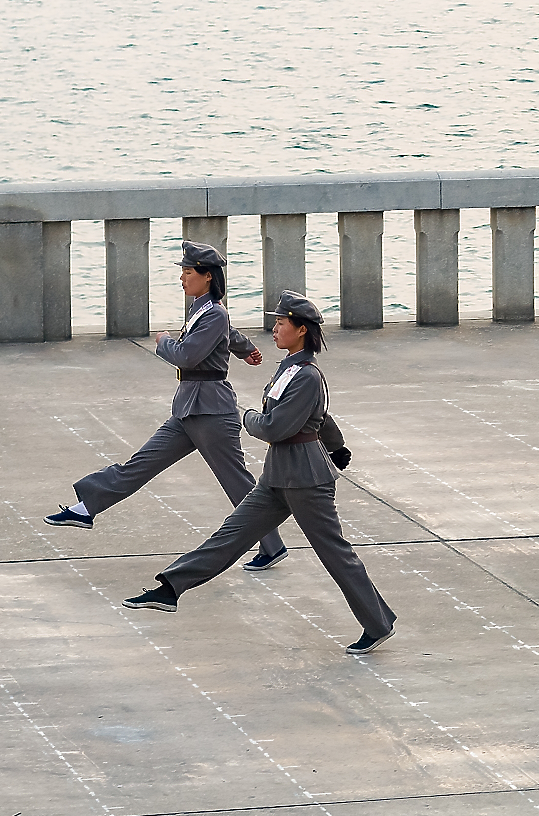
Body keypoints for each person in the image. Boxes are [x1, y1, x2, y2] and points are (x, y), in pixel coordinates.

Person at [120, 293, 396, 656]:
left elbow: (276, 426)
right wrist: (337, 445)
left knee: (335, 554)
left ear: (301, 330)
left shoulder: (307, 375)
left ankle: (378, 624)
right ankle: (170, 589)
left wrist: (245, 416)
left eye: (281, 323)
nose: (275, 328)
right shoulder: (291, 368)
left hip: (306, 479)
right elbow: (320, 416)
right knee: (231, 535)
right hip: (278, 476)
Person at [44, 241, 290, 574]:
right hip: (189, 409)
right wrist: (245, 349)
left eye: (188, 273)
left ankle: (272, 546)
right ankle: (86, 508)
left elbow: (188, 355)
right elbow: (227, 334)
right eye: (183, 273)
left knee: (238, 483)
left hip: (212, 413)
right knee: (141, 464)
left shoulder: (213, 312)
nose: (182, 279)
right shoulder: (203, 309)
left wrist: (164, 343)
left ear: (207, 277)